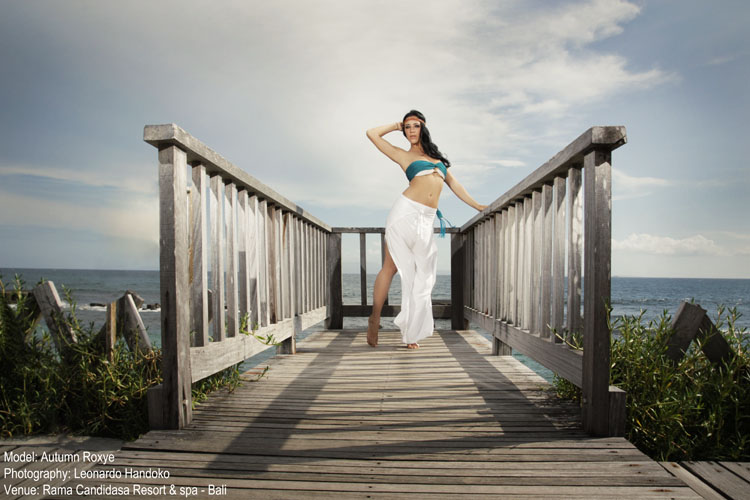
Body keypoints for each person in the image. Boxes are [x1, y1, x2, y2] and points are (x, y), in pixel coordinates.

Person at [366, 110, 487, 349]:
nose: (411, 130)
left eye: (415, 126)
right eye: (407, 127)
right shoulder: (402, 155)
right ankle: (375, 318)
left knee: (423, 277)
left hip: (426, 221)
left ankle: (412, 332)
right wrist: (396, 124)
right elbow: (371, 133)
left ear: (424, 128)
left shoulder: (438, 160)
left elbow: (455, 185)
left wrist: (478, 206)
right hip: (404, 213)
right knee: (390, 268)